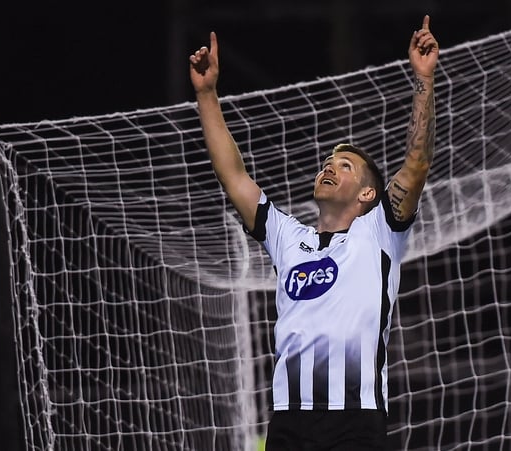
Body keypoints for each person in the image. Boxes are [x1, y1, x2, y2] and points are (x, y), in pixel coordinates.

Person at [189, 15, 438, 450]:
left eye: (345, 166)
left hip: (356, 422)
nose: (329, 166)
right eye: (328, 161)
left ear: (367, 194)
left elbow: (416, 164)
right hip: (288, 422)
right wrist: (207, 94)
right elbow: (233, 177)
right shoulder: (287, 237)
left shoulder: (379, 231)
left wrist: (423, 80)